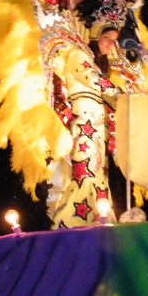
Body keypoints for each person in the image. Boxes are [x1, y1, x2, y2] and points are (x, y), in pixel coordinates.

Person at [47, 26, 120, 228]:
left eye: (114, 40)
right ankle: (67, 224)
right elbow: (92, 79)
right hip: (85, 120)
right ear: (95, 36)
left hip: (99, 123)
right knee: (85, 171)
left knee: (99, 175)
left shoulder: (99, 66)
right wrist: (119, 92)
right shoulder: (78, 55)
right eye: (107, 37)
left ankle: (100, 216)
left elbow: (109, 95)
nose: (110, 43)